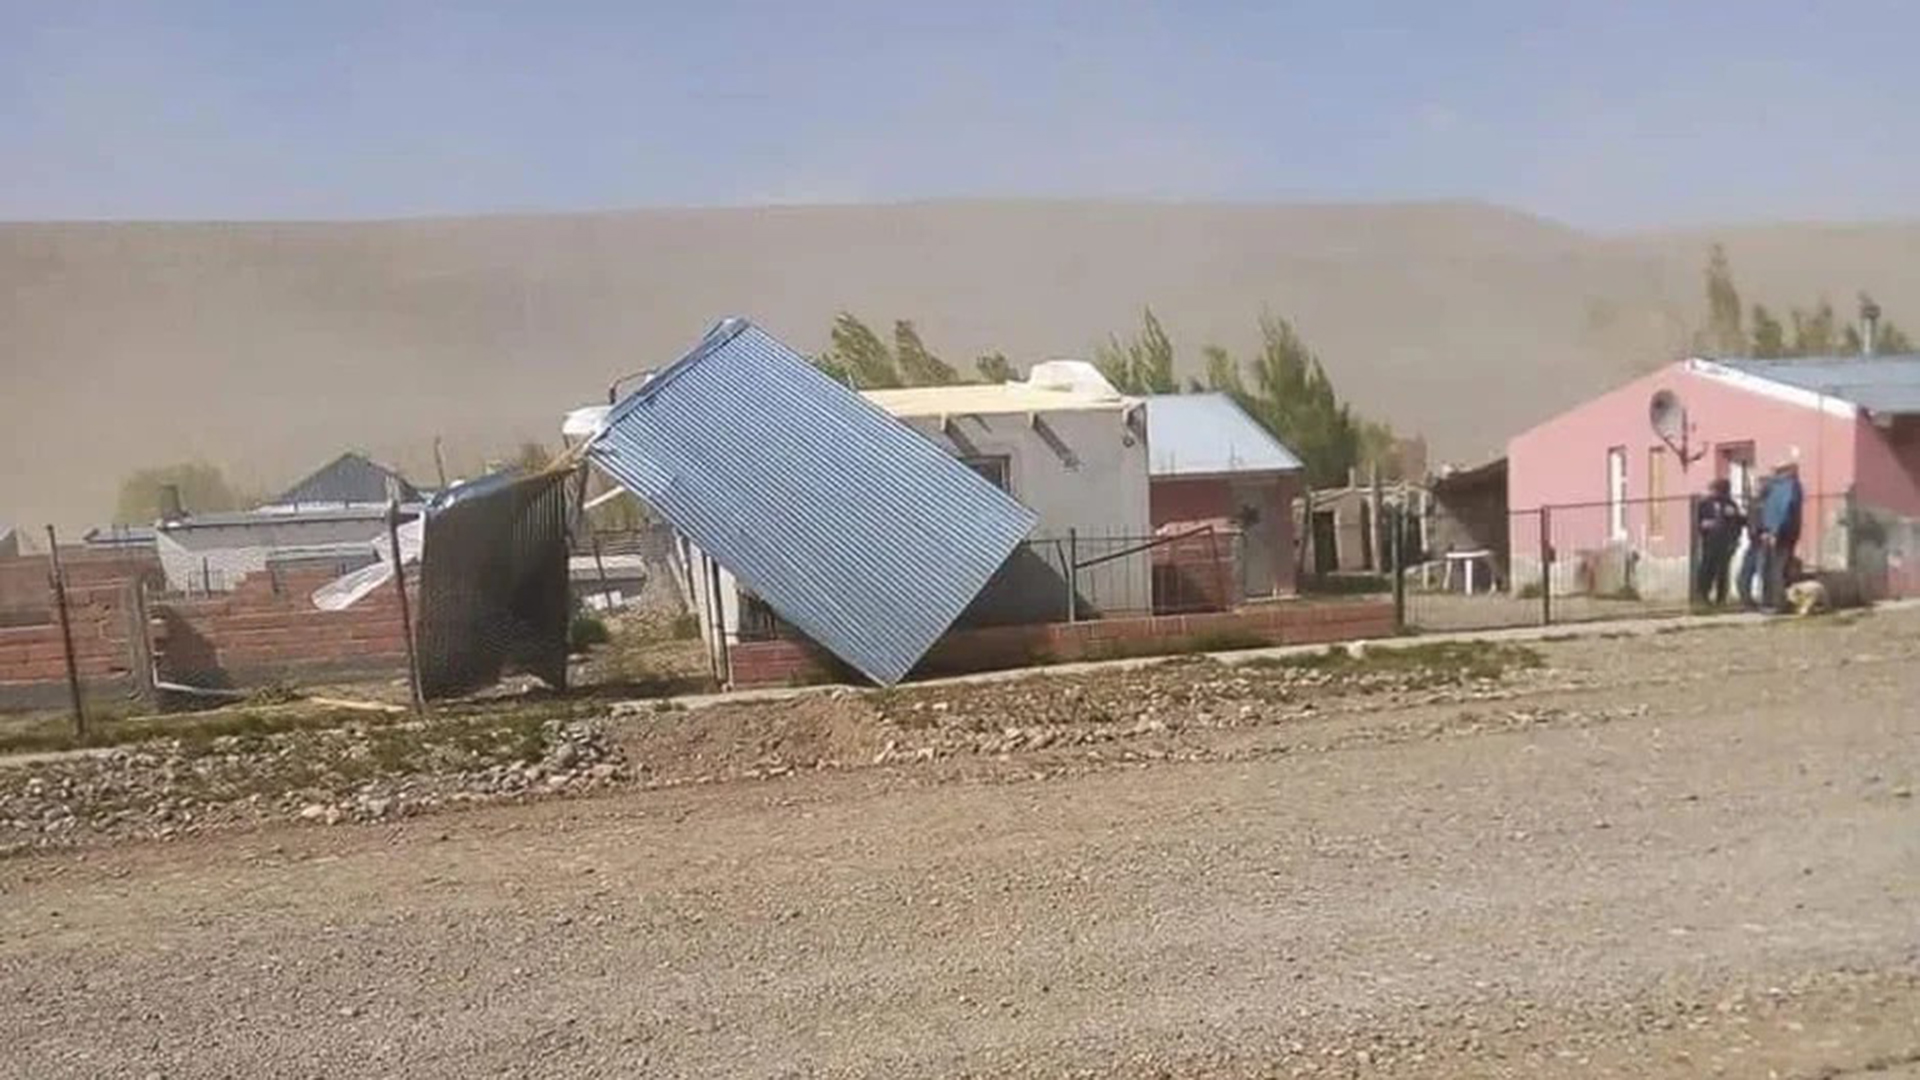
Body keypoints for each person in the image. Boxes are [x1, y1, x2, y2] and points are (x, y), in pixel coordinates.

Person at [1757, 454, 1805, 613]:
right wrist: (1773, 531)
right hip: (1780, 532)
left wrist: (1772, 531)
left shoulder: (1782, 487)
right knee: (1776, 568)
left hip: (1778, 532)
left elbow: (1779, 511)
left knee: (1775, 568)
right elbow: (1781, 511)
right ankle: (1776, 603)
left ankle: (1774, 603)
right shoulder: (1786, 486)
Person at [1693, 478, 1744, 606]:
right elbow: (1698, 521)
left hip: (1725, 541)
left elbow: (1738, 523)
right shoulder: (1705, 504)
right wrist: (1703, 525)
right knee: (1707, 568)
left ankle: (1721, 597)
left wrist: (1734, 517)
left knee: (1722, 570)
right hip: (1710, 541)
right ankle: (1703, 595)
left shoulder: (1730, 504)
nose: (1715, 493)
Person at [1736, 475, 1771, 609]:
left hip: (1764, 541)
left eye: (1759, 486)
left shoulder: (1770, 502)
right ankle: (1746, 602)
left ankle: (1765, 601)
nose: (1756, 488)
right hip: (1753, 542)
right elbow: (1749, 520)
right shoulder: (1753, 503)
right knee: (1744, 573)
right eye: (1756, 486)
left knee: (1763, 573)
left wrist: (1767, 532)